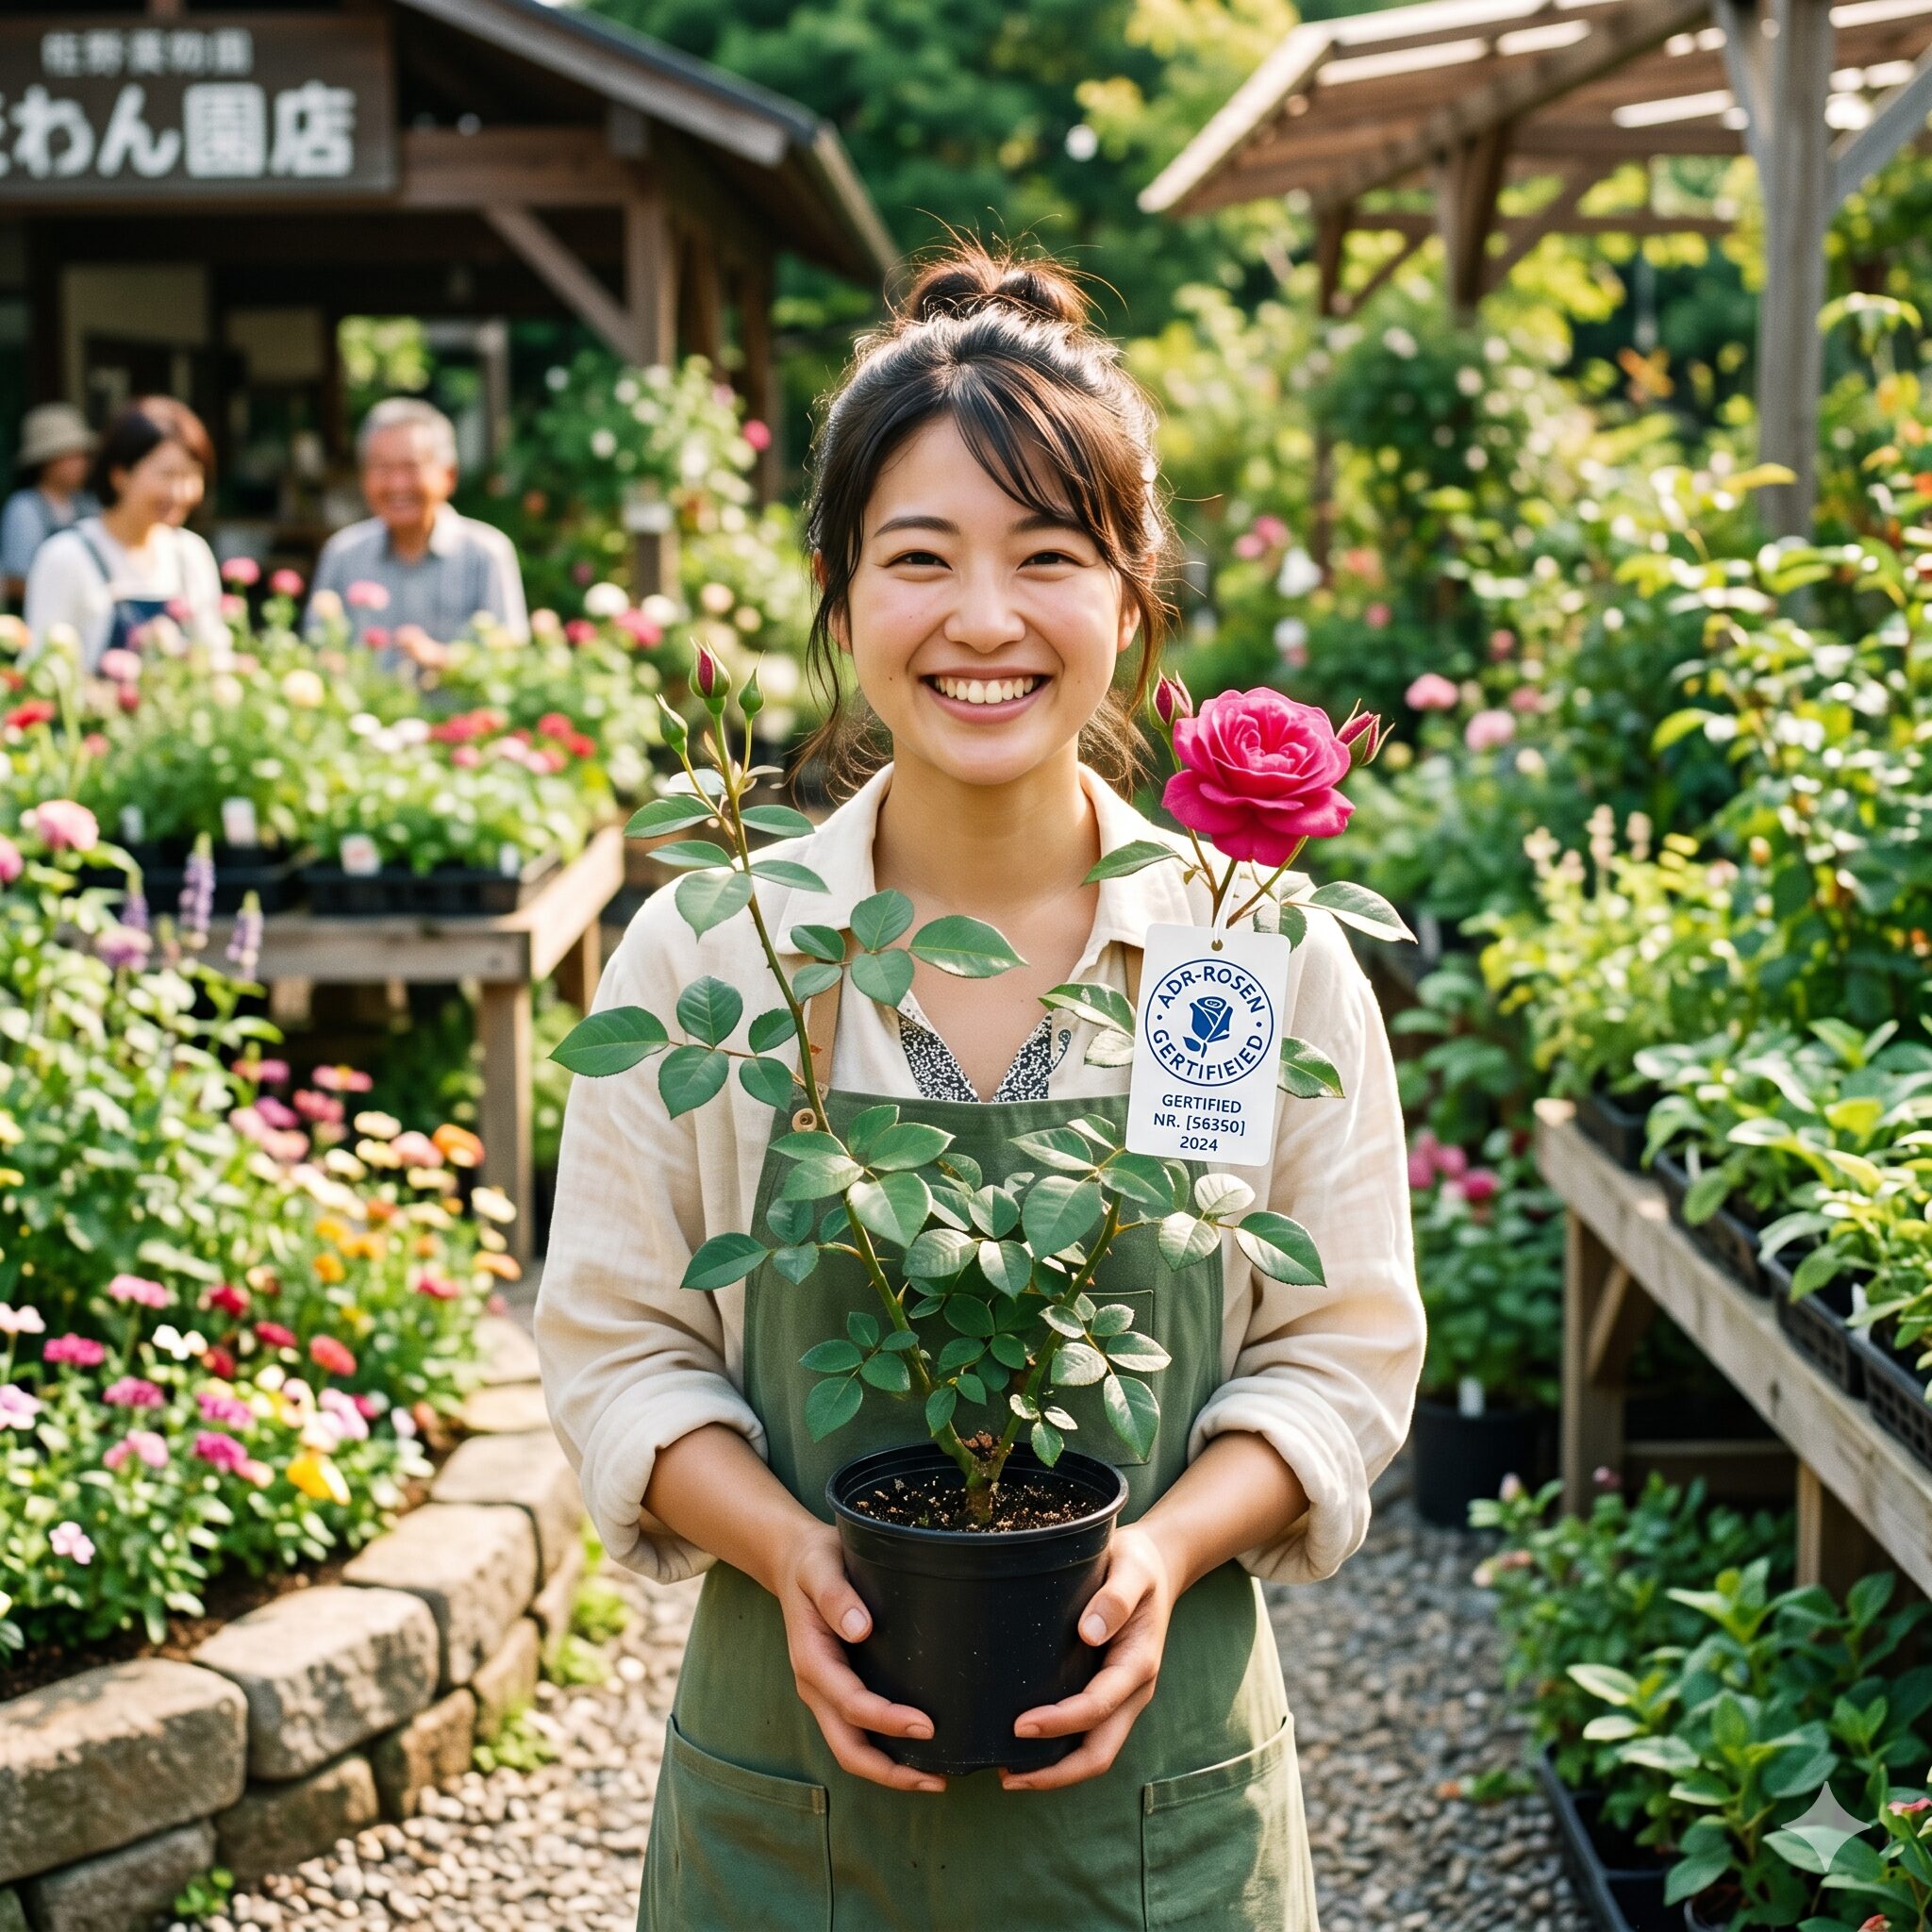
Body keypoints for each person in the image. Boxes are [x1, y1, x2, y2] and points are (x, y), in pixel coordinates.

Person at [535, 245, 1424, 1931]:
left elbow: (1342, 1344)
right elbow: (612, 1339)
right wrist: (789, 1546)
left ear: (1134, 590)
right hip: (788, 1797)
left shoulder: (1238, 953)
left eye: (1047, 557)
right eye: (919, 557)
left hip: (1155, 1808)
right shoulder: (722, 956)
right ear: (839, 585)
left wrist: (1159, 1550)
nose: (984, 620)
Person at [24, 397, 224, 673]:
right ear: (119, 475)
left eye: (192, 475)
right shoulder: (68, 556)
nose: (180, 492)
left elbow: (214, 655)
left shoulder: (190, 554)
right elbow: (40, 671)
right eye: (167, 474)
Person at [308, 398, 527, 646]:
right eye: (382, 467)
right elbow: (317, 650)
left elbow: (510, 662)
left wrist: (444, 663)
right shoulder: (342, 554)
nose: (397, 484)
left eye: (412, 467)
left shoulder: (486, 554)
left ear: (450, 475)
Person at [2, 404, 98, 608]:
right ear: (47, 460)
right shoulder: (25, 508)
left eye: (82, 455)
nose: (81, 463)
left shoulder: (86, 504)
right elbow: (15, 581)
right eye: (71, 456)